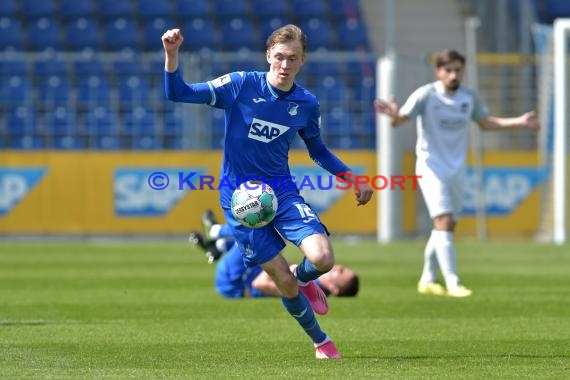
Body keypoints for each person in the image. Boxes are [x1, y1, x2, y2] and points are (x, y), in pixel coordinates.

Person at [163, 24, 373, 359]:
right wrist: (172, 55)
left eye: (292, 58)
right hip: (240, 200)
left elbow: (318, 150)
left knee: (322, 258)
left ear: (302, 61)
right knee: (282, 283)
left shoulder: (306, 103)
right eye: (279, 57)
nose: (284, 64)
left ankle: (304, 278)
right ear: (268, 56)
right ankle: (321, 342)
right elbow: (180, 93)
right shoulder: (241, 84)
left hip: (282, 191)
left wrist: (352, 178)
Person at [374, 49, 540, 298]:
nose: (453, 75)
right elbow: (401, 120)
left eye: (457, 70)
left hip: (457, 169)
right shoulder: (426, 95)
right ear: (438, 72)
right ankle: (453, 282)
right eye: (448, 70)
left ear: (463, 71)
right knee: (443, 220)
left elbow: (485, 123)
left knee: (446, 225)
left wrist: (518, 122)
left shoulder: (468, 97)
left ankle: (427, 279)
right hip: (431, 167)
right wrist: (393, 115)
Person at [189, 210, 360, 298]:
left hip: (233, 283)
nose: (338, 267)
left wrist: (273, 264)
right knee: (262, 235)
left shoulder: (312, 293)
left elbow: (260, 284)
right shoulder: (312, 279)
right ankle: (217, 247)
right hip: (243, 276)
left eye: (341, 272)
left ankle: (215, 233)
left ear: (335, 289)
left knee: (256, 229)